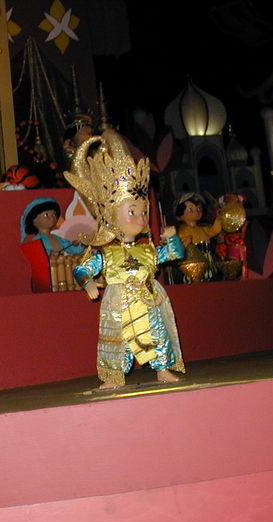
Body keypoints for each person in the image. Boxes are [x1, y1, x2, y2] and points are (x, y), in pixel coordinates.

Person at [66, 129, 186, 388]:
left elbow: (174, 254)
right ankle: (113, 375)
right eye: (133, 212)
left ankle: (162, 369)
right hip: (118, 303)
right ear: (111, 216)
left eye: (143, 212)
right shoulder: (106, 254)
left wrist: (172, 239)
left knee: (157, 333)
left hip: (148, 298)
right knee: (117, 340)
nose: (141, 218)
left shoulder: (147, 250)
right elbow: (81, 269)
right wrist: (87, 281)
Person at [174, 192, 221, 282]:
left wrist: (218, 219)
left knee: (209, 276)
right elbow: (179, 246)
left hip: (207, 259)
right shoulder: (183, 231)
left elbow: (214, 230)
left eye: (199, 208)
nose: (196, 211)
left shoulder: (204, 229)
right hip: (192, 262)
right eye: (190, 209)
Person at [20, 197, 85, 256]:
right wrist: (50, 254)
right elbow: (37, 255)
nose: (52, 218)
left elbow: (70, 247)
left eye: (54, 215)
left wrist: (77, 245)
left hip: (60, 264)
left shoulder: (58, 239)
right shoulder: (37, 241)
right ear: (33, 219)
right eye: (46, 215)